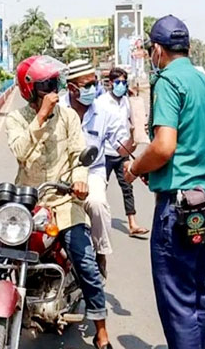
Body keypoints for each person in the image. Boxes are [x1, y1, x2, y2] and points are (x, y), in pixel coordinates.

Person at [124, 15, 205, 349]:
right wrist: (177, 168)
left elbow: (164, 146)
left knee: (178, 304)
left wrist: (137, 168)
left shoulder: (167, 81)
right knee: (196, 296)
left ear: (157, 50)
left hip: (178, 210)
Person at [6, 55, 113, 349]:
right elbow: (20, 153)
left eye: (56, 83)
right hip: (29, 204)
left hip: (63, 202)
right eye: (47, 85)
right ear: (29, 89)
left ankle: (101, 329)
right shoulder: (16, 119)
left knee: (85, 262)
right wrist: (40, 117)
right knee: (1, 257)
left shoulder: (68, 117)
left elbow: (79, 156)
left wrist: (79, 180)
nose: (54, 90)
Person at [60, 59, 134, 278]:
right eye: (87, 86)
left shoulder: (103, 112)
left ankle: (101, 252)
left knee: (97, 203)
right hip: (60, 172)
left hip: (92, 171)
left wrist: (135, 139)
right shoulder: (58, 110)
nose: (92, 90)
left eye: (94, 84)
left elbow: (121, 146)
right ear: (72, 88)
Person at [99, 67, 149, 237]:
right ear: (111, 83)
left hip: (123, 152)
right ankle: (94, 223)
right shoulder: (101, 103)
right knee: (99, 189)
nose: (121, 85)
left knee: (127, 186)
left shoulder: (127, 102)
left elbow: (135, 119)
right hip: (105, 153)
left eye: (123, 82)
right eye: (118, 82)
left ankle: (132, 224)